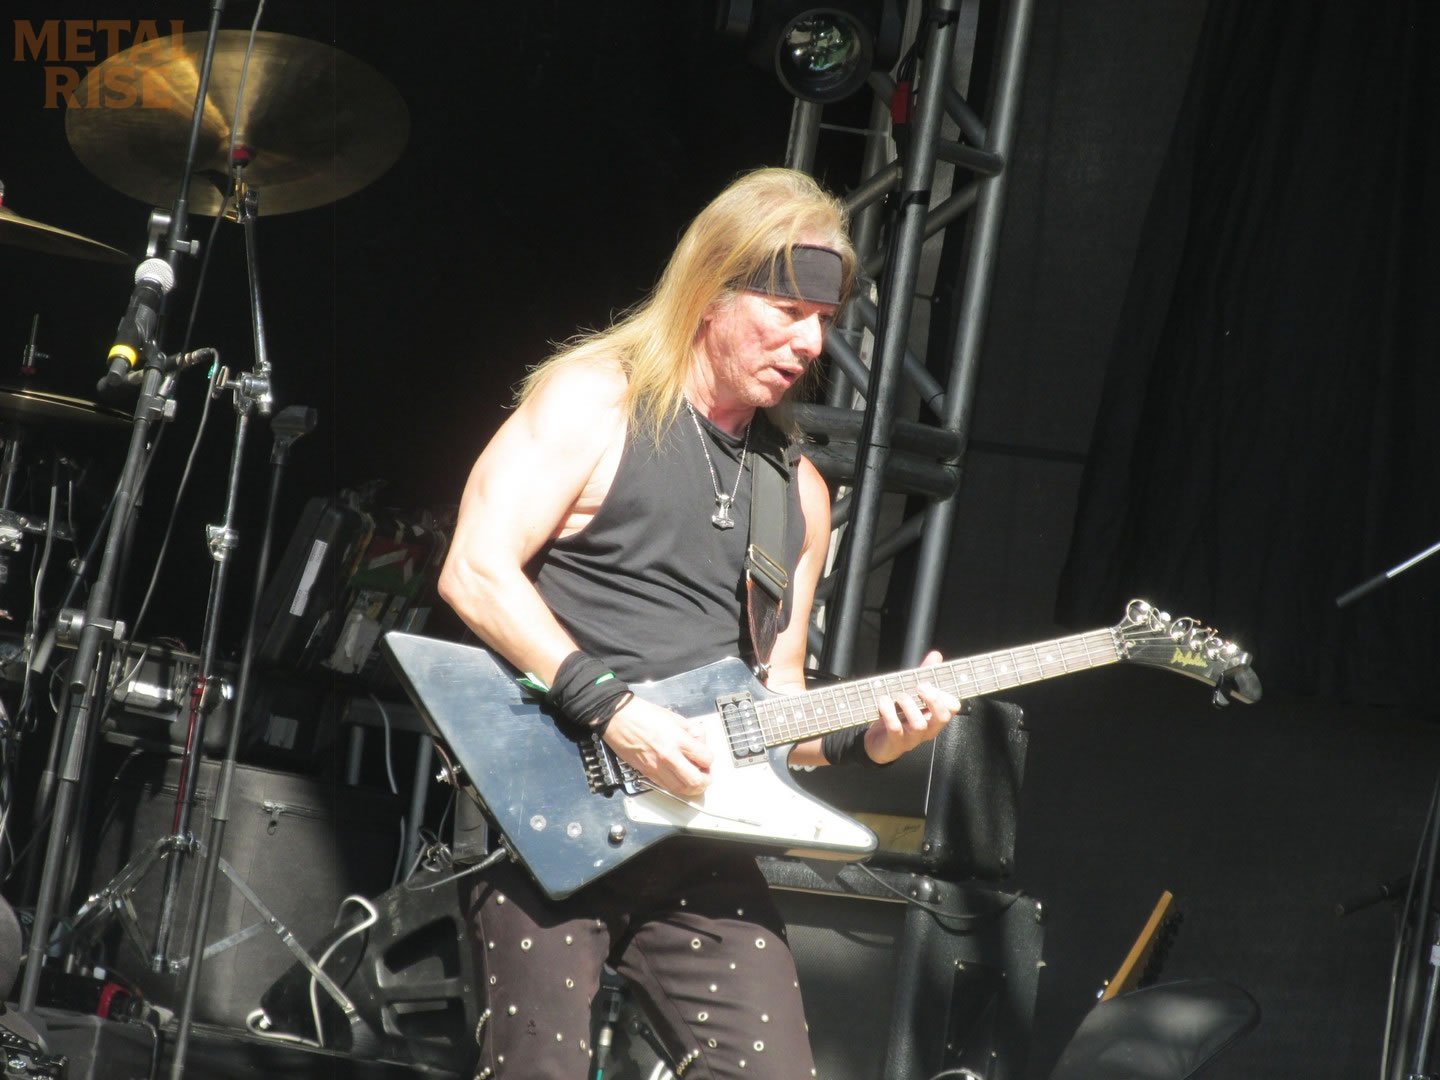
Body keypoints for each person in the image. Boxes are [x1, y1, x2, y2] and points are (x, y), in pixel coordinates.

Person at [437, 167, 960, 1080]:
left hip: (699, 840)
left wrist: (870, 741)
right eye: (788, 312)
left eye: (825, 321)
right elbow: (474, 571)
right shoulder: (597, 402)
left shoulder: (797, 491)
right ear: (713, 292)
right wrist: (615, 711)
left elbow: (778, 703)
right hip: (545, 811)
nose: (811, 343)